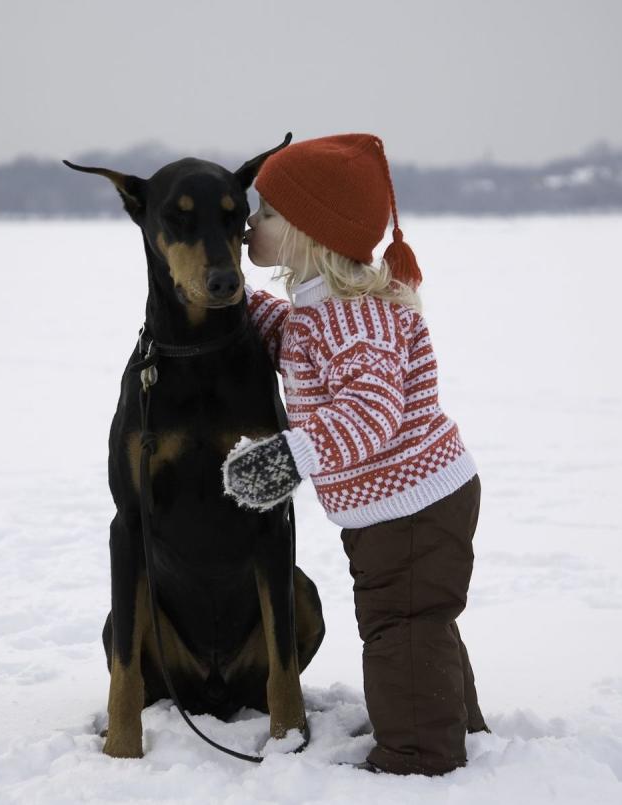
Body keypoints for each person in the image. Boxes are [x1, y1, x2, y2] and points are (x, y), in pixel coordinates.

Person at [221, 133, 489, 776]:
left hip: (414, 504)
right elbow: (290, 334)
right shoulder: (324, 310)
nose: (251, 223)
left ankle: (420, 754)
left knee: (403, 624)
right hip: (402, 504)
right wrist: (231, 304)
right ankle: (449, 718)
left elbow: (370, 412)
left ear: (311, 232)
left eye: (268, 214)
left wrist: (288, 458)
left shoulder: (352, 318)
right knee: (421, 619)